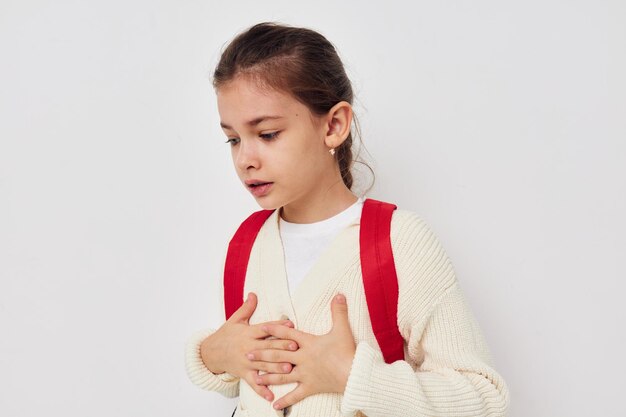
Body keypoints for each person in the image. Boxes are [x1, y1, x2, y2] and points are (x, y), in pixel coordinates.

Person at [185, 21, 509, 417]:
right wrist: (212, 354)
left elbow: (484, 397)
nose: (245, 159)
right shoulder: (247, 243)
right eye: (233, 139)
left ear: (334, 125)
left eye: (267, 134)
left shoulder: (398, 241)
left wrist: (351, 375)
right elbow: (249, 375)